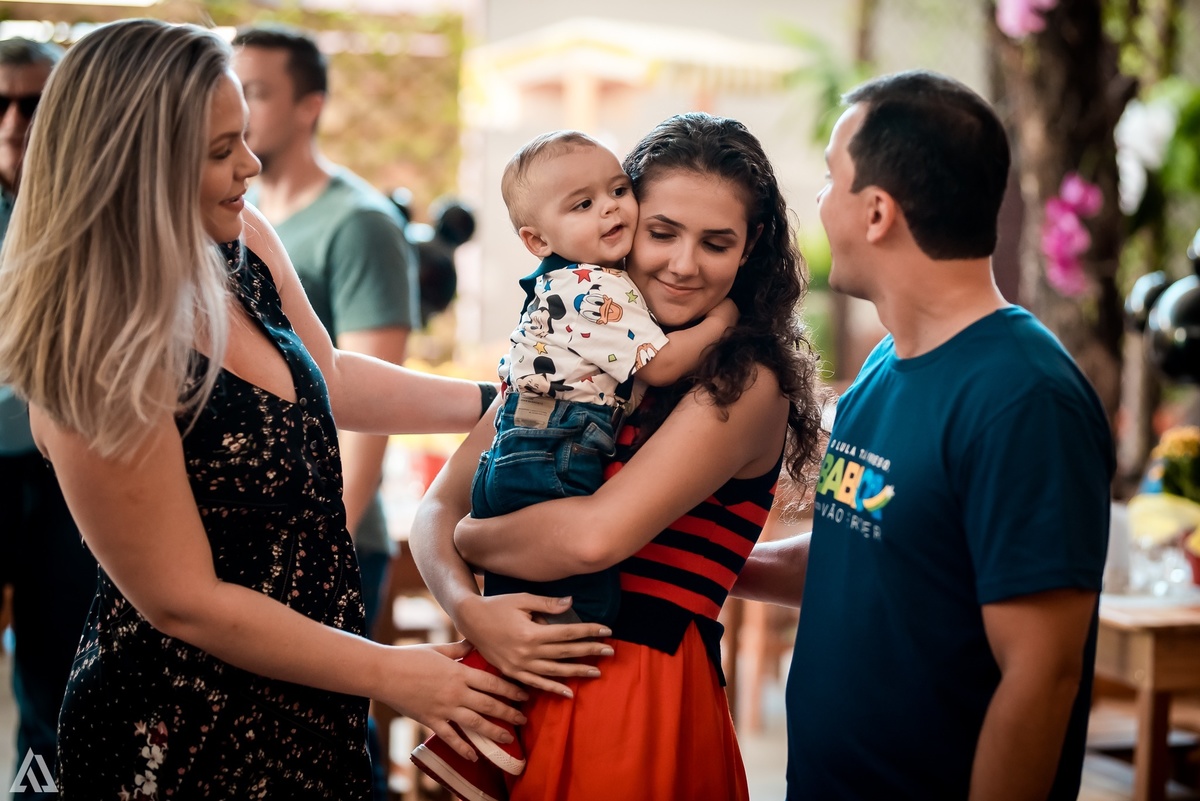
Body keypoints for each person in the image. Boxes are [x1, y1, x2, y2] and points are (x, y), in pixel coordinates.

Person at [0, 19, 524, 798]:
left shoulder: (238, 238)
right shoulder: (96, 350)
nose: (249, 165)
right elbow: (187, 601)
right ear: (136, 166)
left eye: (242, 136)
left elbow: (333, 378)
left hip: (312, 696)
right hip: (184, 733)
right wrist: (391, 671)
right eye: (219, 152)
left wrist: (504, 401)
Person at [408, 112, 827, 801]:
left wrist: (472, 540)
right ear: (621, 218)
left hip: (638, 692)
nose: (683, 263)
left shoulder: (746, 378)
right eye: (660, 232)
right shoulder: (571, 342)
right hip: (526, 670)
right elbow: (434, 507)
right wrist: (469, 608)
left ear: (750, 248)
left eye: (716, 243)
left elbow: (593, 535)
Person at [733, 70, 1114, 801]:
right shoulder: (887, 362)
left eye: (829, 178)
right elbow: (866, 548)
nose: (817, 200)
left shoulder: (1025, 399)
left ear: (877, 211)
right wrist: (712, 564)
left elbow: (1040, 675)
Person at [230, 27, 419, 797]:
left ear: (310, 106)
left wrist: (327, 538)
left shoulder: (359, 222)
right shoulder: (240, 210)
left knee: (329, 738)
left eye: (257, 92)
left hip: (328, 533)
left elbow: (360, 397)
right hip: (255, 535)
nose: (237, 110)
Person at [0, 36, 97, 798]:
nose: (12, 122)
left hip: (71, 476)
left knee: (58, 687)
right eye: (0, 104)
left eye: (33, 104)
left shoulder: (100, 213)